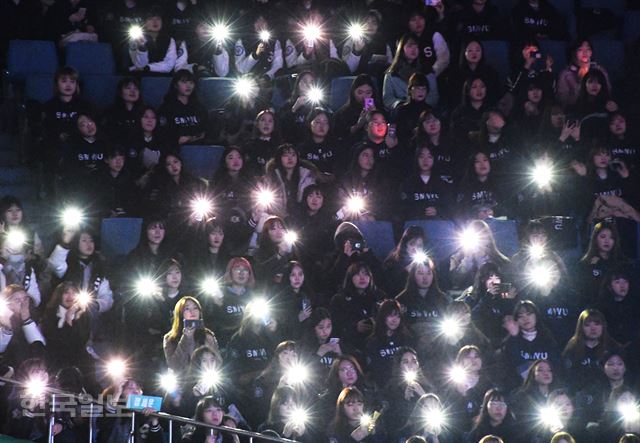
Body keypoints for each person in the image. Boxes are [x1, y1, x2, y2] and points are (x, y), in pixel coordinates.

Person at [500, 300, 560, 389]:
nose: (526, 319)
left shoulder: (548, 338)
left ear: (536, 315)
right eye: (521, 316)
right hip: (522, 389)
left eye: (529, 314)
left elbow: (556, 365)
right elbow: (511, 367)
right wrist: (514, 337)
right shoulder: (512, 341)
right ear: (516, 321)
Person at [330, 262, 385, 350]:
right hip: (350, 344)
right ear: (350, 277)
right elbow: (336, 327)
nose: (362, 278)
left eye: (366, 274)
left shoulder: (380, 296)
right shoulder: (339, 299)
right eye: (357, 274)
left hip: (377, 343)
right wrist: (355, 327)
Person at [163, 296, 222, 373]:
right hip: (182, 380)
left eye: (195, 308)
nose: (192, 311)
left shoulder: (208, 335)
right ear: (180, 313)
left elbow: (218, 361)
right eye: (187, 309)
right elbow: (174, 365)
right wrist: (186, 339)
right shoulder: (170, 338)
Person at [364, 300, 413, 389]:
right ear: (383, 317)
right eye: (391, 315)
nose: (394, 320)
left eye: (398, 316)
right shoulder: (373, 342)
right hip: (384, 386)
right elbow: (374, 369)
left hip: (406, 383)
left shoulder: (406, 339)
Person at [383, 34, 438, 109]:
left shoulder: (427, 71)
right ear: (402, 48)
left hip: (424, 111)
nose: (414, 49)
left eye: (416, 46)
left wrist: (419, 105)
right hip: (401, 111)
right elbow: (388, 99)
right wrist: (402, 105)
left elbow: (433, 97)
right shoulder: (392, 74)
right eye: (410, 46)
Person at [399, 145, 454, 222]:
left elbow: (450, 208)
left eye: (429, 157)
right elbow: (403, 209)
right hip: (414, 226)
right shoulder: (408, 183)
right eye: (421, 156)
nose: (425, 160)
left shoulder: (442, 184)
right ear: (416, 159)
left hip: (437, 225)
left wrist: (437, 211)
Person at [128, 5, 186, 73]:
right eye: (150, 19)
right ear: (144, 22)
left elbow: (169, 65)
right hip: (138, 76)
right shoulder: (134, 39)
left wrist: (148, 68)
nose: (155, 22)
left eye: (158, 18)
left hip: (162, 76)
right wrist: (142, 47)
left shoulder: (169, 40)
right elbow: (139, 64)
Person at [157, 69, 208, 147]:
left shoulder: (200, 108)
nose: (188, 86)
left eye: (191, 82)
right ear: (175, 85)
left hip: (198, 146)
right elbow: (163, 133)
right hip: (174, 148)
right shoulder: (166, 108)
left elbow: (205, 130)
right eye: (184, 82)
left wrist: (193, 137)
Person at [0, 285, 45, 369]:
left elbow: (39, 344)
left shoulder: (35, 317)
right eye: (17, 300)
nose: (23, 303)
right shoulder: (2, 320)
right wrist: (7, 328)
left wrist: (26, 319)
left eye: (25, 299)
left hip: (30, 367)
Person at [556, 39, 611, 107]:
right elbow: (563, 102)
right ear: (574, 52)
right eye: (580, 49)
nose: (585, 53)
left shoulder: (599, 70)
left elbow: (607, 93)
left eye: (588, 49)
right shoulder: (566, 74)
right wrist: (580, 81)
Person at [383, 226, 427, 297]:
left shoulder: (427, 263)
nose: (415, 249)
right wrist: (405, 272)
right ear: (405, 244)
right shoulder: (392, 262)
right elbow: (389, 289)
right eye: (412, 244)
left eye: (419, 246)